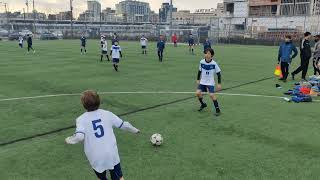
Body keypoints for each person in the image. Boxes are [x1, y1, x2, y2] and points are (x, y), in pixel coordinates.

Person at [65, 90, 140, 180]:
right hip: (111, 154)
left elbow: (80, 137)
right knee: (119, 177)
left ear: (83, 104)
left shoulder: (81, 119)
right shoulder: (107, 114)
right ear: (99, 101)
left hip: (95, 157)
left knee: (101, 178)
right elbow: (124, 125)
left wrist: (69, 139)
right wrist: (135, 130)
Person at [196, 48, 222, 116]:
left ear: (212, 55)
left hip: (210, 82)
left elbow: (218, 74)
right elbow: (199, 71)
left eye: (208, 53)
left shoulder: (214, 63)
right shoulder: (201, 62)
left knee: (211, 95)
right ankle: (203, 104)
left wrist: (219, 84)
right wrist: (198, 79)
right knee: (198, 93)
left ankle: (217, 109)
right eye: (206, 53)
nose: (207, 55)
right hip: (203, 81)